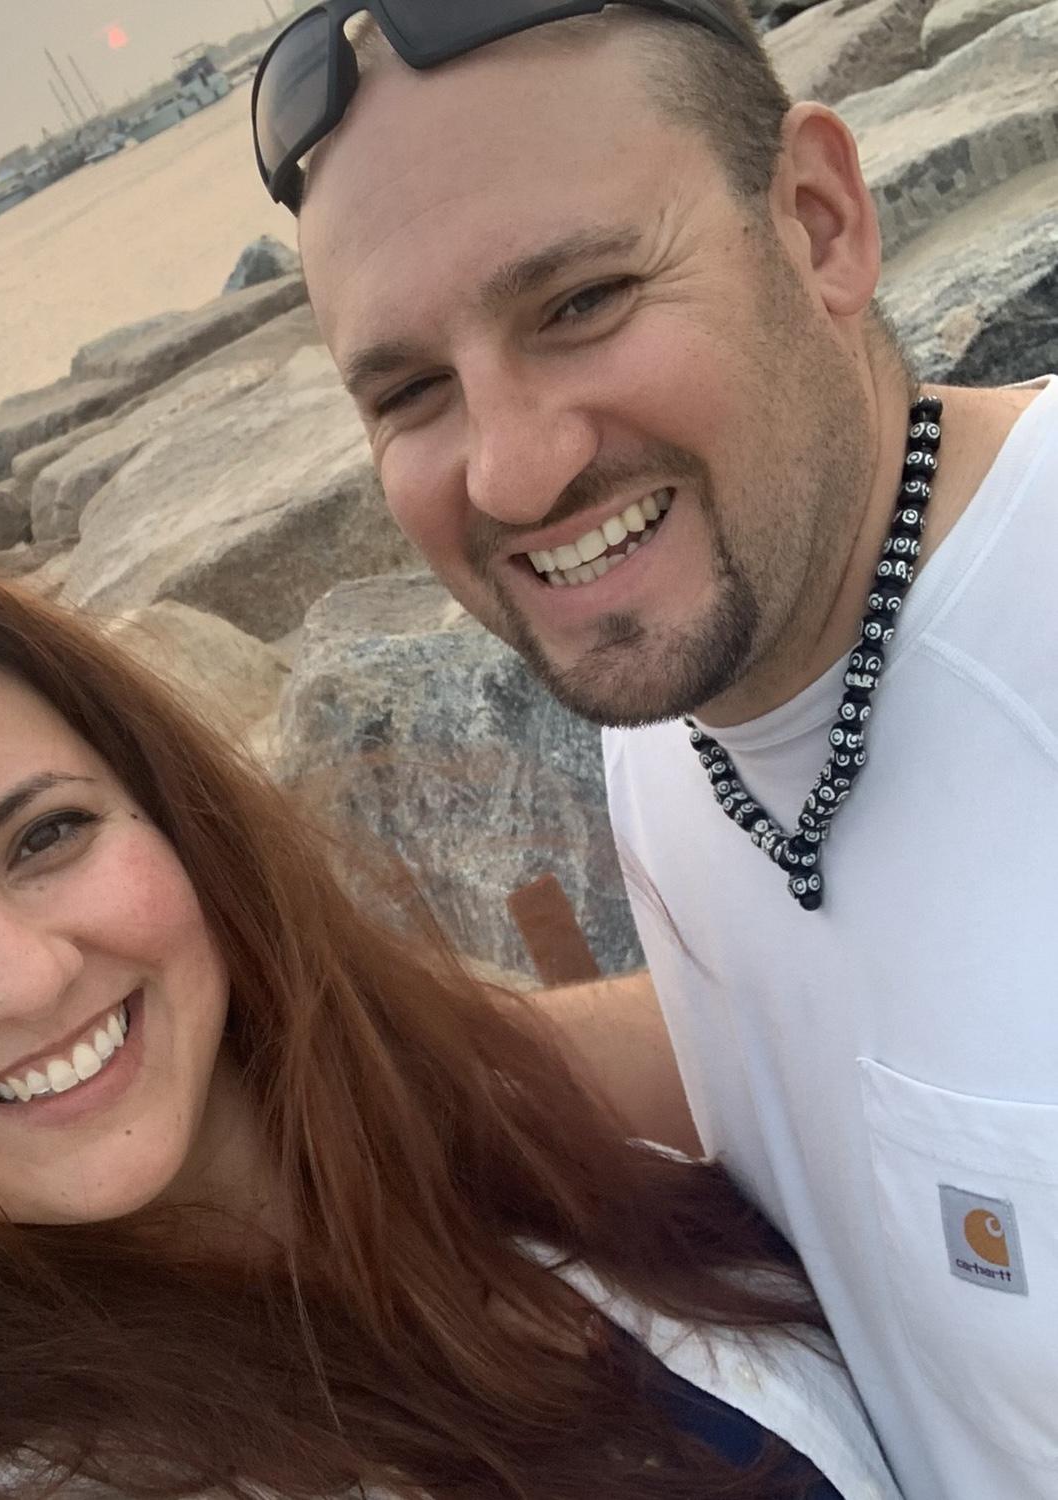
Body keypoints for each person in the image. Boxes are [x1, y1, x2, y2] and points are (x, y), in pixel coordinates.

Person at [256, 3, 1058, 1497]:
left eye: (581, 302)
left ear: (819, 224)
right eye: (412, 392)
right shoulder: (675, 731)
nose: (514, 470)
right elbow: (827, 1060)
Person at [0, 553, 901, 1500]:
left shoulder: (476, 1100)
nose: (21, 978)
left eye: (46, 834)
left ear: (174, 822)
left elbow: (856, 1055)